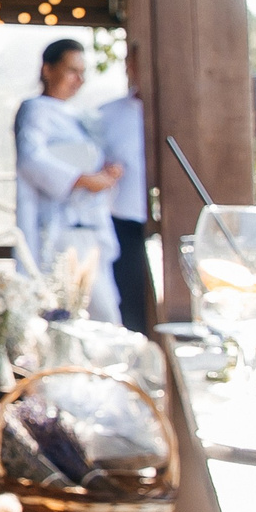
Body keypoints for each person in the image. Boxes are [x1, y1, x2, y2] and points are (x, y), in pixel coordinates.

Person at [16, 38, 123, 321]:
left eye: (83, 73)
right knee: (76, 311)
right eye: (72, 70)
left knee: (103, 311)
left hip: (90, 226)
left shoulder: (80, 117)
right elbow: (31, 159)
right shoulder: (35, 109)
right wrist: (83, 180)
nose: (79, 80)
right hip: (59, 230)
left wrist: (106, 174)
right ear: (48, 69)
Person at [100, 42, 152, 332]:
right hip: (124, 225)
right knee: (130, 311)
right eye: (132, 62)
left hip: (176, 227)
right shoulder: (106, 115)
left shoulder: (185, 111)